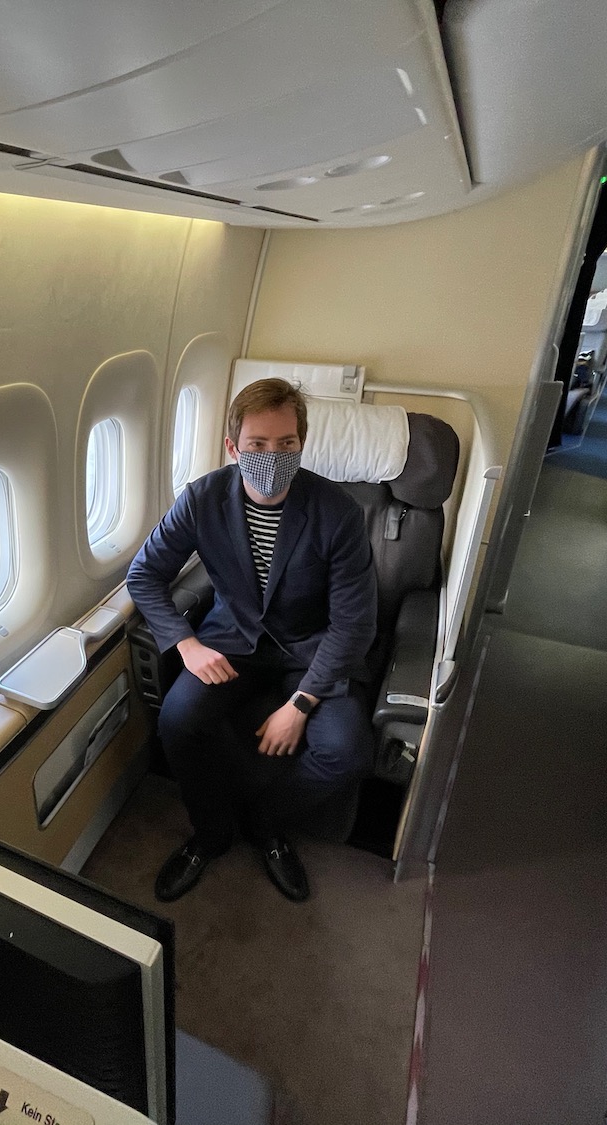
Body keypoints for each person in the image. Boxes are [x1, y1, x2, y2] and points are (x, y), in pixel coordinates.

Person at [126, 378, 377, 903]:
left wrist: (301, 704)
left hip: (311, 650)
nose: (272, 457)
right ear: (233, 447)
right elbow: (144, 574)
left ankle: (265, 824)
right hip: (231, 639)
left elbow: (354, 623)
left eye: (286, 445)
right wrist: (186, 645)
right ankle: (212, 834)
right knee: (177, 719)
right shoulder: (202, 498)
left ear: (301, 444)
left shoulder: (338, 513)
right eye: (258, 445)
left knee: (345, 751)